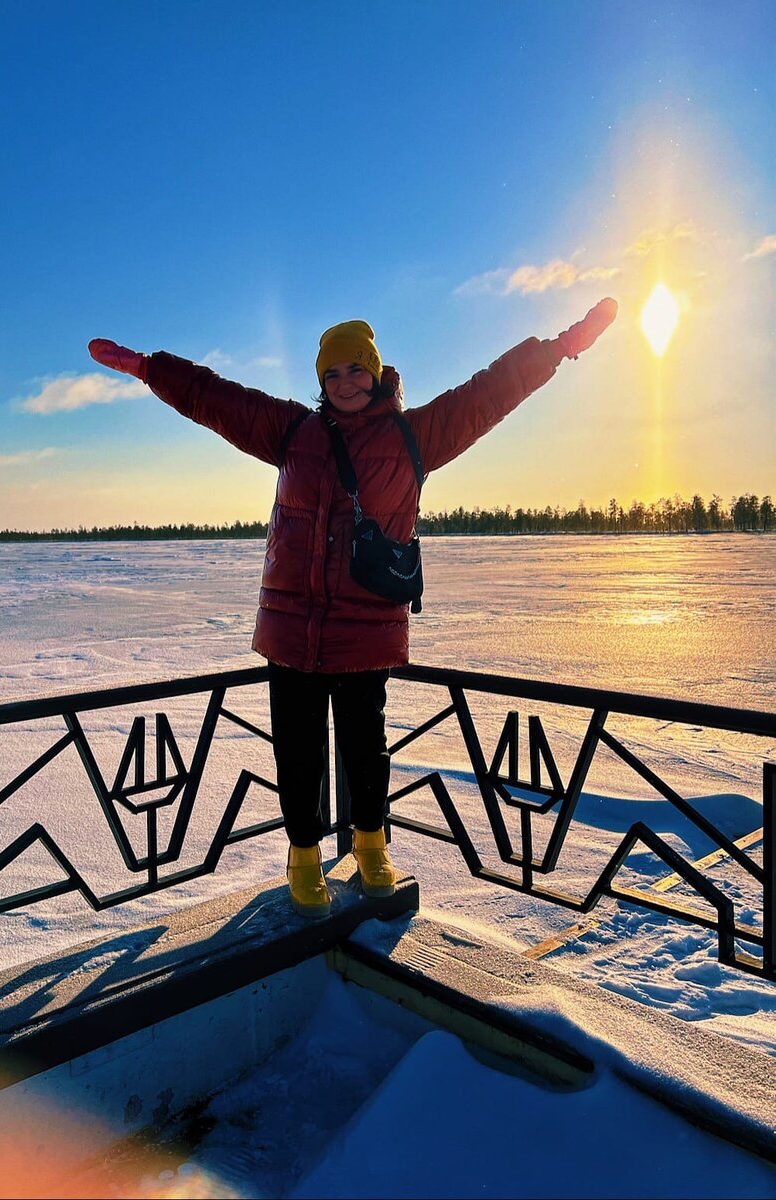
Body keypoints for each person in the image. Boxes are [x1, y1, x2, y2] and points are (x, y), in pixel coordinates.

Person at [89, 299, 617, 918]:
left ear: (377, 372)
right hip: (293, 630)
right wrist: (153, 370)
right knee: (297, 749)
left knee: (367, 747)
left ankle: (372, 847)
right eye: (332, 374)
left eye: (355, 371)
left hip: (366, 628)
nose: (344, 384)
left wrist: (558, 348)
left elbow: (487, 395)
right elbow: (218, 400)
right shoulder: (292, 431)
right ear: (320, 382)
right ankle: (304, 857)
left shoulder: (415, 435)